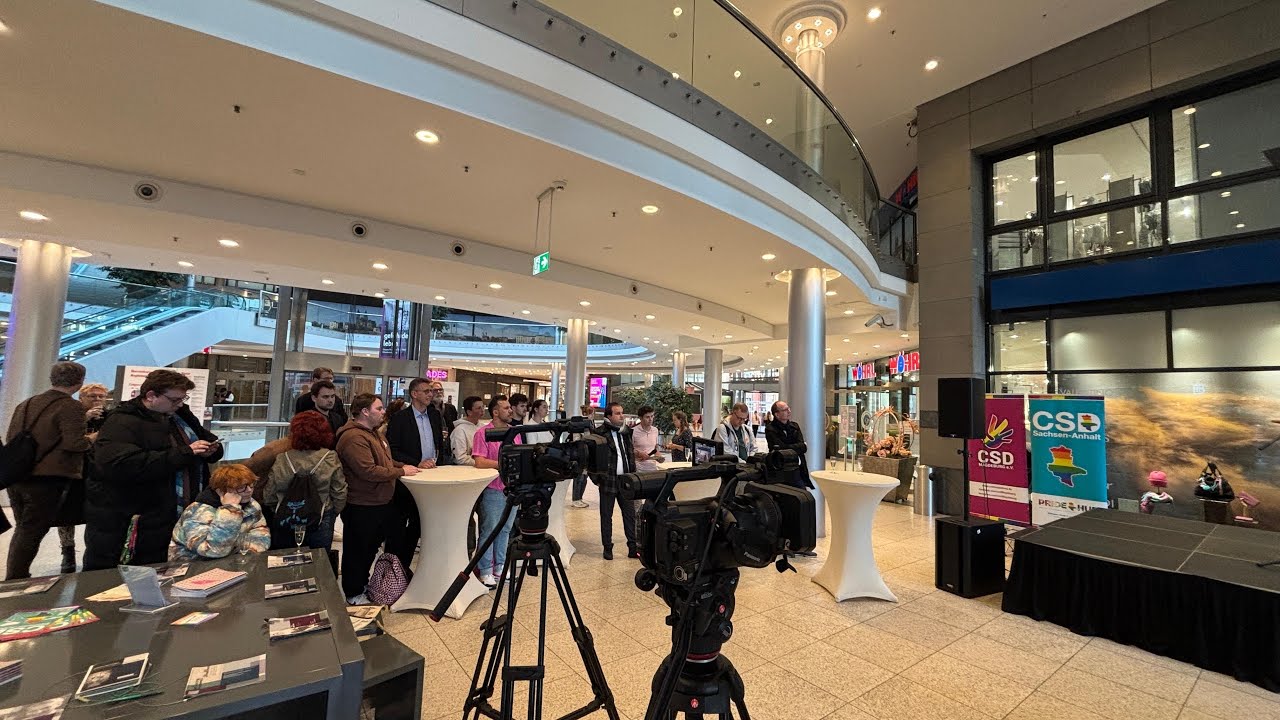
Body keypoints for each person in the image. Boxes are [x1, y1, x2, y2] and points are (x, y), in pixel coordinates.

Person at [85, 369, 223, 571]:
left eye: (183, 399)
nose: (179, 404)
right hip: (133, 517)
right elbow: (120, 465)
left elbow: (204, 438)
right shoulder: (122, 421)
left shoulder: (179, 415)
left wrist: (211, 450)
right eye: (174, 399)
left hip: (175, 514)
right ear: (151, 396)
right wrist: (185, 453)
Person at [3, 362, 93, 580]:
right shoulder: (70, 406)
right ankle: (15, 578)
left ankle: (16, 574)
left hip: (18, 475)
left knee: (24, 528)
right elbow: (75, 444)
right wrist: (94, 438)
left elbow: (11, 438)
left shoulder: (27, 403)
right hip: (48, 477)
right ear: (79, 382)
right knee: (32, 530)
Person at [336, 393, 419, 605]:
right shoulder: (353, 438)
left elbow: (386, 462)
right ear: (365, 411)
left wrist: (402, 466)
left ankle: (368, 585)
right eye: (379, 408)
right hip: (362, 504)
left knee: (371, 548)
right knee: (358, 551)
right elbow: (368, 470)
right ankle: (354, 593)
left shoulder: (374, 434)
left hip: (379, 502)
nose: (383, 412)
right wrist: (401, 473)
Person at [385, 379, 452, 574]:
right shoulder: (400, 418)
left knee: (419, 523)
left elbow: (439, 444)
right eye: (426, 391)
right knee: (399, 526)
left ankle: (406, 568)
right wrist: (416, 462)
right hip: (407, 478)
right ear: (414, 394)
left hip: (430, 478)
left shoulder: (434, 415)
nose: (431, 394)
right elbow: (392, 450)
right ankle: (392, 570)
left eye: (432, 391)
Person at [264, 411, 347, 550]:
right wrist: (331, 512)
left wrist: (279, 508)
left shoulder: (283, 458)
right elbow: (339, 492)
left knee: (285, 561)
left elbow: (269, 494)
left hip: (287, 517)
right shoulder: (329, 457)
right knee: (319, 563)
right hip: (320, 517)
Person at [54, 381, 109, 574]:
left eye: (101, 396)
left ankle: (92, 550)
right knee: (66, 514)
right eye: (92, 396)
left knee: (93, 512)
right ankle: (67, 551)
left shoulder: (109, 417)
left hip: (96, 470)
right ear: (81, 397)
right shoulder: (72, 414)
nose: (97, 400)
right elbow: (64, 439)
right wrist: (84, 419)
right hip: (72, 470)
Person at [170, 464, 271, 561]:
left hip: (235, 563)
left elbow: (262, 541)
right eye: (241, 487)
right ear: (221, 491)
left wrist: (233, 546)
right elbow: (213, 551)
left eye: (251, 485)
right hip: (192, 567)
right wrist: (230, 511)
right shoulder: (197, 512)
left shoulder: (252, 505)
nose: (249, 490)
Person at [472, 397, 519, 587]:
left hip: (511, 489)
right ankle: (485, 570)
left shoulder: (515, 433)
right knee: (489, 530)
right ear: (495, 412)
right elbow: (479, 461)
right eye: (506, 408)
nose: (510, 411)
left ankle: (499, 566)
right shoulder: (483, 433)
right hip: (493, 489)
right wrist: (504, 465)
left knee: (506, 529)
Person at [764, 400, 818, 557]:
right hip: (781, 472)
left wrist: (791, 448)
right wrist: (796, 447)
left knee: (803, 502)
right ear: (776, 414)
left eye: (788, 408)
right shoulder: (771, 429)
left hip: (797, 470)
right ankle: (785, 543)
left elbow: (803, 446)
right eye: (785, 409)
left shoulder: (794, 426)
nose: (789, 411)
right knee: (785, 506)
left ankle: (802, 543)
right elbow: (779, 448)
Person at [591, 402, 637, 560]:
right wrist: (597, 479)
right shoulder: (599, 433)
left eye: (622, 413)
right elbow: (591, 459)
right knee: (606, 515)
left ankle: (633, 547)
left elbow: (630, 454)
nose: (621, 416)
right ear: (609, 416)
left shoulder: (626, 432)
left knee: (630, 515)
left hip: (626, 480)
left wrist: (633, 474)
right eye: (617, 413)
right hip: (608, 480)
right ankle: (607, 547)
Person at [569, 403, 596, 508]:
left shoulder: (590, 424)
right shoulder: (580, 425)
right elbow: (576, 439)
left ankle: (579, 498)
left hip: (588, 454)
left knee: (584, 476)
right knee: (579, 477)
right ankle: (576, 499)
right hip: (580, 454)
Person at [450, 396, 485, 466]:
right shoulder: (459, 430)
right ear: (469, 412)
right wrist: (481, 463)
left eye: (483, 407)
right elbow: (460, 458)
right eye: (478, 408)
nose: (482, 410)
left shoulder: (483, 427)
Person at [631, 405, 664, 471]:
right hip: (638, 469)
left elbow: (655, 448)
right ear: (640, 418)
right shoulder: (633, 431)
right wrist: (638, 453)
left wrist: (659, 456)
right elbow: (628, 450)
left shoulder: (655, 430)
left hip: (653, 468)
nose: (650, 419)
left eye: (652, 416)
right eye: (647, 417)